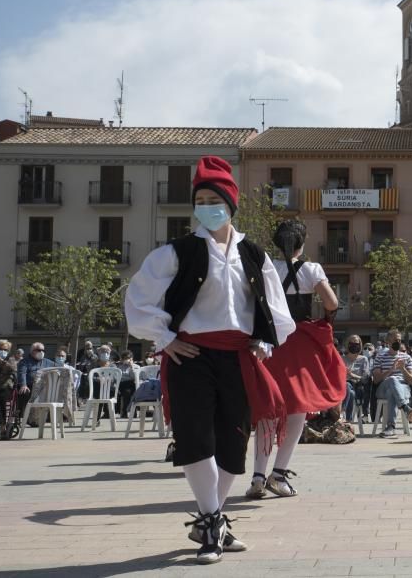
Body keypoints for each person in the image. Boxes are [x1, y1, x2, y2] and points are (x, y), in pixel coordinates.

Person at [125, 155, 296, 564]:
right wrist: (165, 339)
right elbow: (138, 303)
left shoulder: (253, 254)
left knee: (234, 443)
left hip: (238, 356)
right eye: (200, 199)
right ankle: (213, 525)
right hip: (191, 356)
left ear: (230, 203)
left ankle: (210, 518)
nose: (206, 205)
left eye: (213, 198)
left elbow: (276, 309)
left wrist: (264, 340)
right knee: (197, 439)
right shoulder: (175, 252)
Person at [246, 220, 345, 500]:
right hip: (299, 342)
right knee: (297, 410)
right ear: (302, 243)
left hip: (271, 342)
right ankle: (278, 475)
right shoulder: (312, 269)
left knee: (267, 410)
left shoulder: (267, 267)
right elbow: (332, 303)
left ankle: (257, 476)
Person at [371, 329, 412, 437]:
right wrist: (390, 370)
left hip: (403, 388)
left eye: (400, 340)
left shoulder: (406, 357)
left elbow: (411, 380)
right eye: (395, 340)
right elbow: (376, 379)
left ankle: (391, 427)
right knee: (392, 379)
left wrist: (403, 369)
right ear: (388, 341)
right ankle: (406, 408)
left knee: (391, 393)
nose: (398, 343)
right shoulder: (380, 357)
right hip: (383, 387)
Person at [16, 342, 55, 416]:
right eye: (38, 350)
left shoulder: (48, 362)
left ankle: (51, 415)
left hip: (45, 387)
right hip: (30, 385)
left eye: (43, 350)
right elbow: (22, 373)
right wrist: (23, 385)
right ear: (32, 351)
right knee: (24, 391)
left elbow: (58, 369)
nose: (41, 352)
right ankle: (24, 415)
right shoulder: (24, 362)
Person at [342, 334, 370, 423]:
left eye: (356, 343)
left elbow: (365, 377)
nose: (354, 345)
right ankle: (348, 420)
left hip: (358, 386)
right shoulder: (342, 359)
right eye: (352, 343)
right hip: (343, 387)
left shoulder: (363, 359)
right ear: (348, 345)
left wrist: (352, 375)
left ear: (360, 345)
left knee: (350, 389)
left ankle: (342, 413)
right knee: (350, 391)